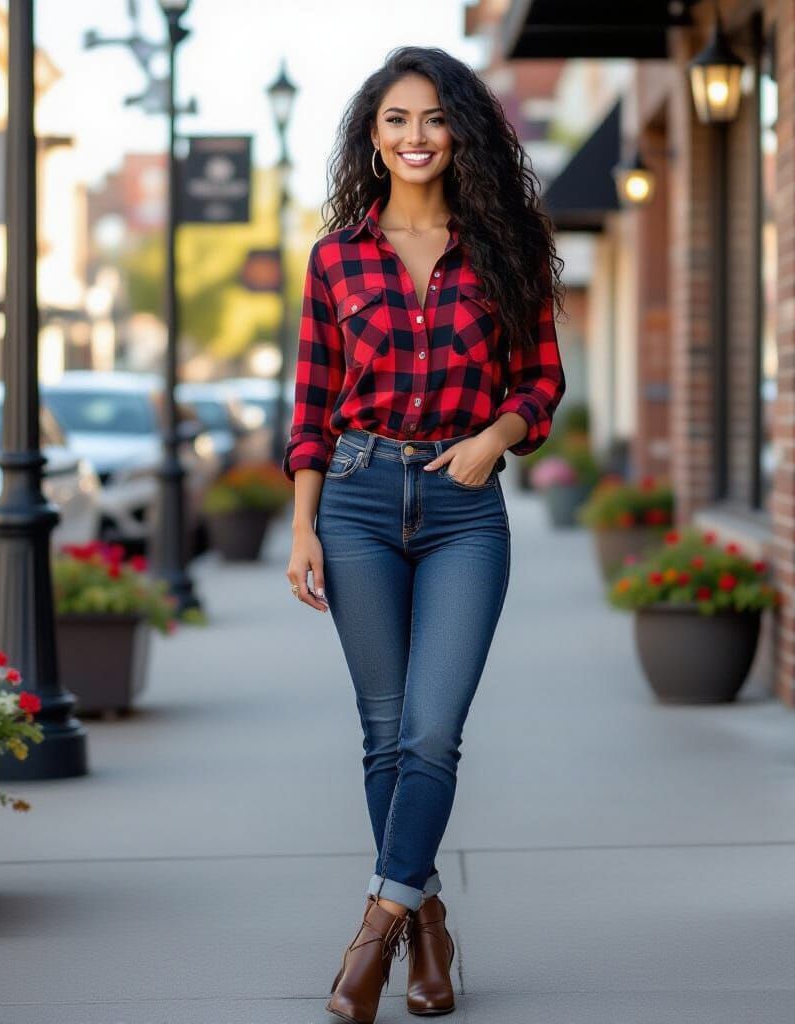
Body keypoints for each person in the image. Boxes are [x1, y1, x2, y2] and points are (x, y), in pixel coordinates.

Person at [282, 45, 567, 1024]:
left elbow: (542, 381)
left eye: (434, 118)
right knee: (383, 733)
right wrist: (302, 527)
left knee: (431, 732)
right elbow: (311, 403)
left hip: (462, 505)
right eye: (396, 119)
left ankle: (376, 928)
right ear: (373, 134)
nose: (415, 136)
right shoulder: (335, 257)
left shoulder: (507, 246)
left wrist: (496, 435)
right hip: (356, 498)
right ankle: (429, 923)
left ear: (461, 133)